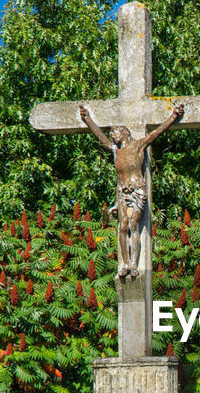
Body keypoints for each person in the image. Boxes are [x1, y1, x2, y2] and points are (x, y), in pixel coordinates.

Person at [78, 102, 185, 277]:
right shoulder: (116, 151)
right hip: (122, 193)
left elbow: (157, 132)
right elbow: (100, 136)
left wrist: (173, 116)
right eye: (112, 133)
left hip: (137, 191)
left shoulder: (138, 146)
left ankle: (134, 263)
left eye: (115, 132)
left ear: (125, 132)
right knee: (122, 226)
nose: (112, 135)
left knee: (133, 225)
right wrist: (87, 119)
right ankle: (125, 264)